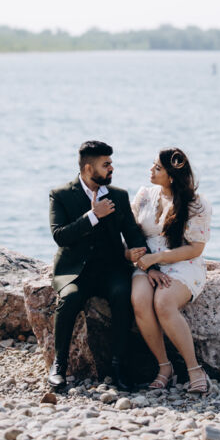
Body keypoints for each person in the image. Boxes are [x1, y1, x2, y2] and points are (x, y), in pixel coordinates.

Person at [47, 140, 148, 391]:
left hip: (111, 269)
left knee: (122, 294)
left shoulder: (119, 196)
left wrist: (147, 261)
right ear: (89, 169)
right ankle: (59, 365)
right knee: (69, 298)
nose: (111, 168)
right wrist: (93, 216)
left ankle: (119, 366)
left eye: (111, 163)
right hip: (75, 271)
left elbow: (132, 233)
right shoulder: (60, 195)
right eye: (106, 164)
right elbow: (60, 236)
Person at [129, 147, 213, 395]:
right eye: (153, 165)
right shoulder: (144, 195)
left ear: (172, 176)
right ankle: (164, 367)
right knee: (140, 300)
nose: (151, 170)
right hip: (146, 262)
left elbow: (196, 248)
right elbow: (131, 232)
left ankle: (194, 369)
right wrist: (147, 263)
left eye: (158, 168)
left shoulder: (196, 204)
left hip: (181, 261)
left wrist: (159, 258)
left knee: (163, 302)